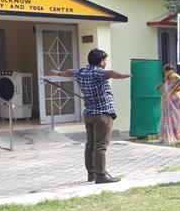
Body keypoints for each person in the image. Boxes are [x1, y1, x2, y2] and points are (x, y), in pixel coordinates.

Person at [50, 48, 131, 184]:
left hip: (89, 115)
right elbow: (110, 73)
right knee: (100, 146)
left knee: (90, 145)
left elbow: (70, 72)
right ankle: (101, 176)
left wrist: (58, 73)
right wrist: (123, 75)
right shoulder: (97, 72)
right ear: (101, 61)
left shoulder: (82, 72)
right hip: (102, 114)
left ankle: (91, 174)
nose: (106, 62)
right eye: (105, 60)